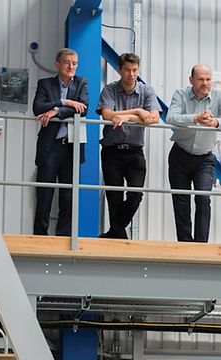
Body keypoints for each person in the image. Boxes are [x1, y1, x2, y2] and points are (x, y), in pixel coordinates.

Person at [166, 64, 221, 242]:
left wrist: (215, 122)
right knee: (181, 201)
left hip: (205, 159)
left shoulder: (220, 96)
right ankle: (184, 244)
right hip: (180, 155)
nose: (205, 83)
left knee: (203, 199)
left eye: (208, 79)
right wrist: (196, 118)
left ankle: (201, 245)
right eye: (200, 79)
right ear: (191, 80)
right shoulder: (180, 95)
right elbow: (171, 118)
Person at [96, 53, 160, 239]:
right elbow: (107, 115)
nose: (131, 74)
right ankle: (118, 236)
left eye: (134, 70)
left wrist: (127, 117)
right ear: (119, 70)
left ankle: (115, 232)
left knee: (135, 195)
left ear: (138, 70)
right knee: (113, 196)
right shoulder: (110, 89)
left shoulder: (147, 91)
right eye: (127, 70)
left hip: (134, 151)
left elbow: (154, 117)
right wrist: (138, 111)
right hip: (111, 150)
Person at [32, 48, 88, 237]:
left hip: (72, 148)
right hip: (50, 149)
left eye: (74, 63)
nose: (71, 66)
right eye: (67, 63)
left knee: (69, 198)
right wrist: (66, 102)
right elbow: (37, 108)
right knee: (44, 196)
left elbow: (84, 108)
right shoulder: (45, 84)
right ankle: (40, 238)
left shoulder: (81, 83)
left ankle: (64, 240)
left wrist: (56, 111)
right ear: (57, 64)